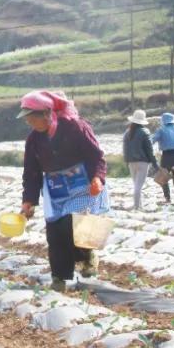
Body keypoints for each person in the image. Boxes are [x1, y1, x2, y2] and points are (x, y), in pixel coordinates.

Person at [17, 90, 109, 293]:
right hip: (56, 186)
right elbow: (31, 172)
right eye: (27, 119)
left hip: (83, 182)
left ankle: (88, 255)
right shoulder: (33, 139)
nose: (30, 123)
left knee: (77, 222)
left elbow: (96, 155)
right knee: (55, 230)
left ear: (47, 113)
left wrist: (97, 177)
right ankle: (59, 276)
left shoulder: (75, 126)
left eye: (32, 118)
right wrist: (29, 201)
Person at [122, 109, 157, 210]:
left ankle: (138, 205)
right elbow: (149, 150)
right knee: (138, 186)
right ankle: (137, 207)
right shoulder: (145, 132)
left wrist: (126, 161)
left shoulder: (127, 132)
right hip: (142, 162)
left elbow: (125, 149)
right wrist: (155, 163)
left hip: (131, 162)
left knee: (136, 185)